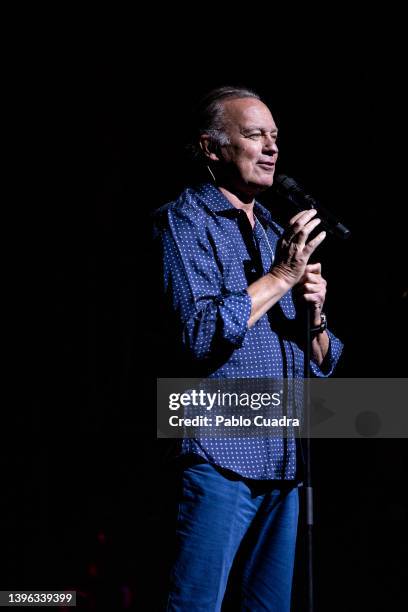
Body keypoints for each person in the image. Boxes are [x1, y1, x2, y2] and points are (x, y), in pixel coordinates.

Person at [153, 86, 343, 611]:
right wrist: (281, 276)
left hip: (283, 456)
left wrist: (316, 314)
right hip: (217, 451)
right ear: (213, 149)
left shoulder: (277, 232)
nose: (271, 148)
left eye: (275, 137)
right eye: (254, 135)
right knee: (196, 604)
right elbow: (198, 334)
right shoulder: (184, 220)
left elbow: (323, 364)